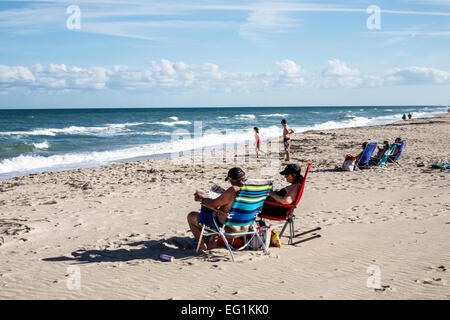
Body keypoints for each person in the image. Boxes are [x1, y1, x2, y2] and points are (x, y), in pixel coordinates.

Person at [187, 167, 247, 251]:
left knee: (191, 216)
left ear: (231, 180)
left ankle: (202, 247)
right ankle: (212, 243)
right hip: (246, 228)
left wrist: (201, 199)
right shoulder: (252, 190)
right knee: (216, 214)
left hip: (230, 230)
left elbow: (213, 204)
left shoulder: (233, 190)